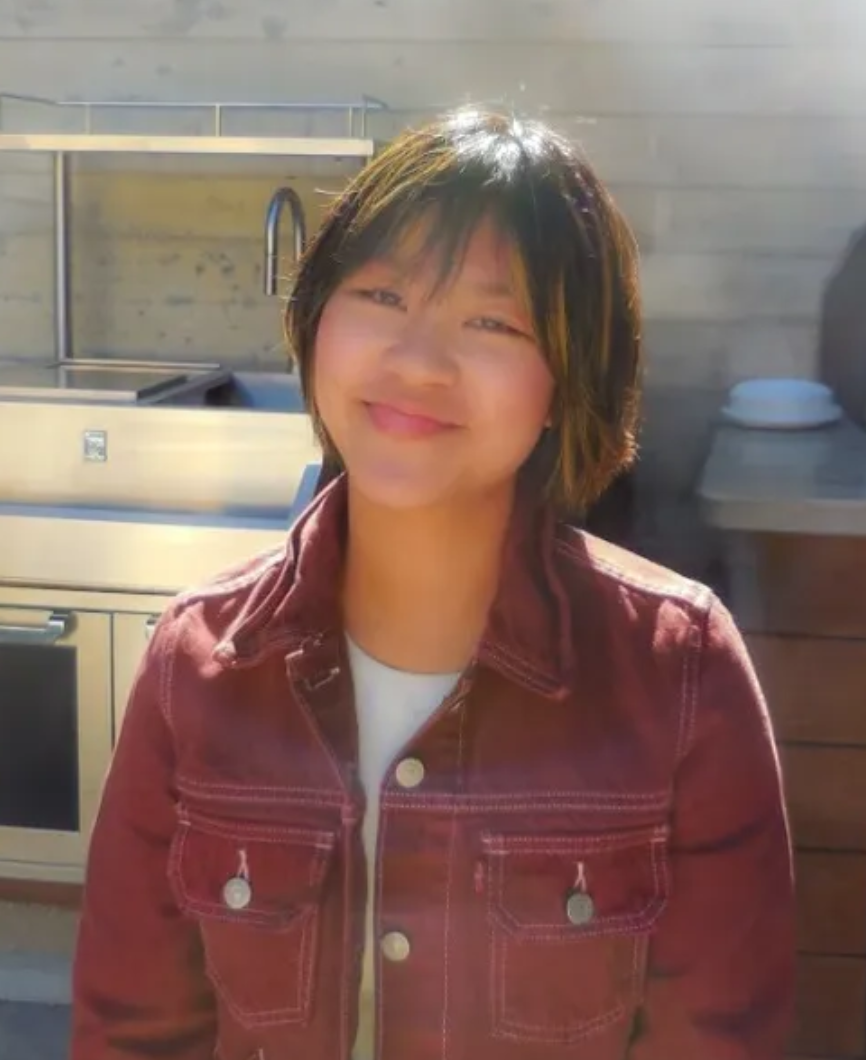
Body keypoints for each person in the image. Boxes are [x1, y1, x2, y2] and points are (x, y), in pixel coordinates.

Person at [70, 107, 795, 1060]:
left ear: (564, 383)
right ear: (315, 323)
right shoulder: (197, 666)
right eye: (380, 296)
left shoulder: (682, 676)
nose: (417, 362)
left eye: (491, 319)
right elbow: (133, 1032)